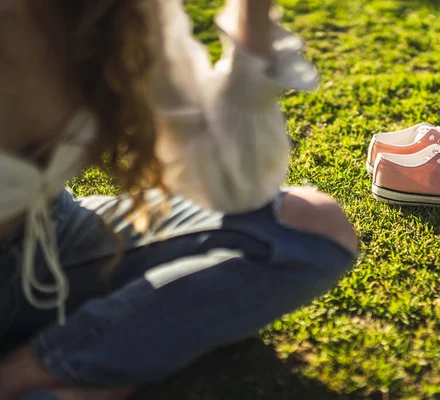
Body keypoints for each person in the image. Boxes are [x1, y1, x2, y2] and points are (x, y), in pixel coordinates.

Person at [0, 0, 358, 399]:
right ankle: (96, 376)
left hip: (50, 234)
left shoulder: (119, 10)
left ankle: (37, 369)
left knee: (306, 232)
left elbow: (234, 188)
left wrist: (250, 19)